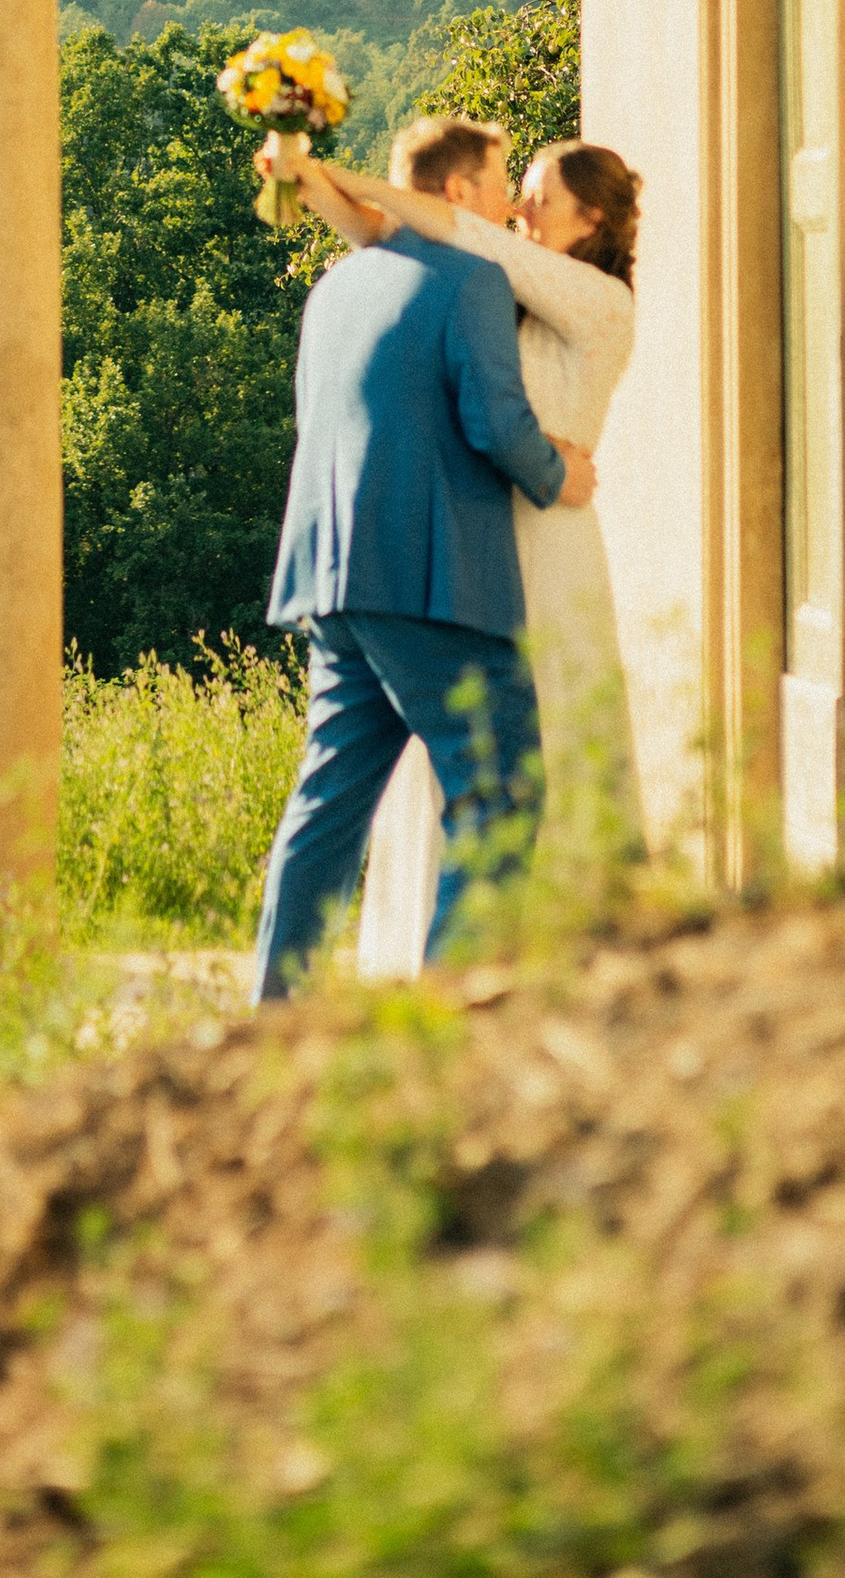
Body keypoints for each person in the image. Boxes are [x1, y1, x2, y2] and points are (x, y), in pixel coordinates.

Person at [246, 128, 597, 1000]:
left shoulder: (334, 287)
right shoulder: (470, 281)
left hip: (331, 577)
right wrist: (563, 478)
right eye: (493, 186)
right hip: (431, 578)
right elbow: (496, 424)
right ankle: (450, 1018)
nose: (506, 210)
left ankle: (275, 1008)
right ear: (457, 194)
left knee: (328, 806)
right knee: (499, 792)